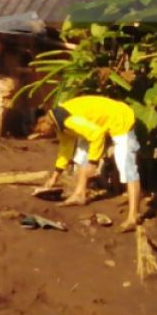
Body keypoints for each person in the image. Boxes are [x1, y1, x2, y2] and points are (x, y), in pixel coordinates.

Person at [41, 94, 142, 231]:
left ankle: (133, 216)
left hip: (120, 119)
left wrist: (93, 163)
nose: (43, 135)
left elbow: (97, 134)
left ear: (46, 124)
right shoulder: (59, 122)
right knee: (81, 155)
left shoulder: (70, 121)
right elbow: (65, 149)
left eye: (41, 132)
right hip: (95, 124)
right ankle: (79, 194)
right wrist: (55, 176)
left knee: (126, 166)